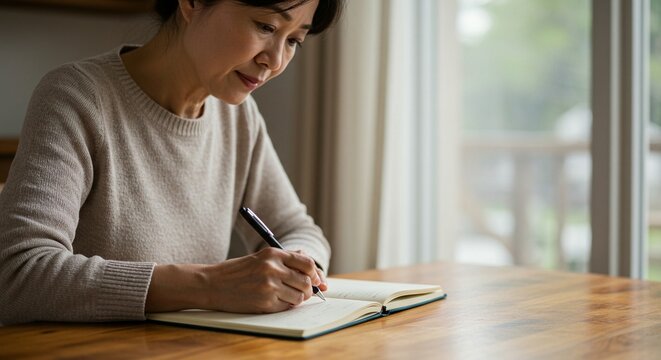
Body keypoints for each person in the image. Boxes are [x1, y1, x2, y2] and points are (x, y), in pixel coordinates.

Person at [0, 0, 343, 325]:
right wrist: (209, 285)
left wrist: (298, 268)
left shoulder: (237, 117)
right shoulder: (77, 98)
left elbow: (297, 229)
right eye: (266, 26)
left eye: (294, 40)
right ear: (192, 3)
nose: (276, 60)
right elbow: (18, 275)